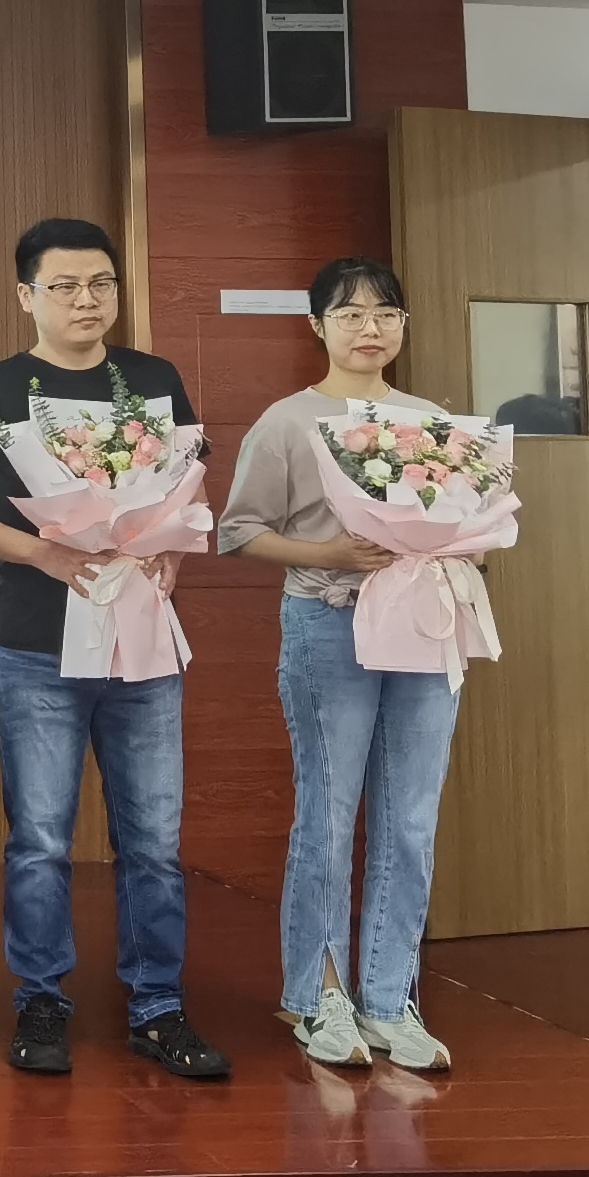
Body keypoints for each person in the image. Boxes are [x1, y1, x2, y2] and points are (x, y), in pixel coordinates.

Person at [0, 218, 232, 1083]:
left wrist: (172, 550)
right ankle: (41, 1001)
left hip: (142, 641)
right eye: (64, 286)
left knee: (154, 840)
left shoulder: (153, 379)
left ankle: (157, 1006)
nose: (86, 300)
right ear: (26, 295)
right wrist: (44, 554)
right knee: (40, 839)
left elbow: (183, 489)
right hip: (39, 644)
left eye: (100, 283)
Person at [217, 257, 471, 1075]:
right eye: (351, 313)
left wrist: (463, 544)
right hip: (329, 622)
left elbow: (463, 518)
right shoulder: (288, 421)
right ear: (317, 326)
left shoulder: (430, 420)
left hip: (423, 625)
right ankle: (317, 995)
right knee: (328, 813)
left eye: (386, 313)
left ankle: (390, 999)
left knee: (411, 817)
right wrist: (330, 553)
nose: (371, 328)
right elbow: (238, 532)